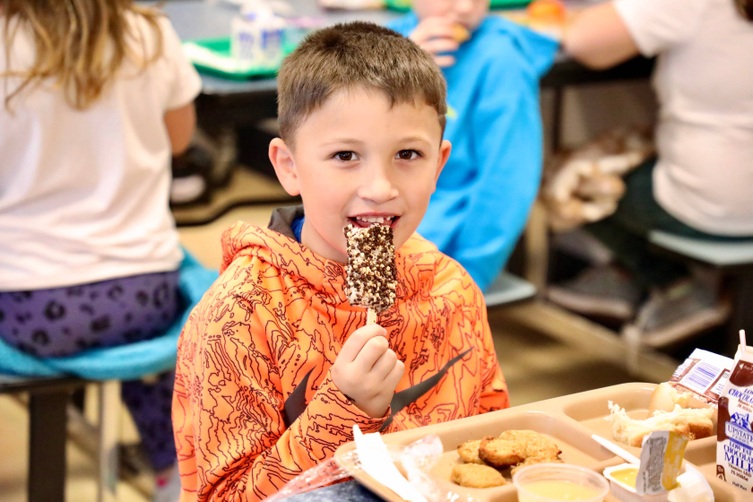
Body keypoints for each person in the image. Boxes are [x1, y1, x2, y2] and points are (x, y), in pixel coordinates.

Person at [171, 21, 509, 501]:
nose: (379, 187)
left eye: (408, 154)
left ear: (438, 165)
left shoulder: (453, 292)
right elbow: (223, 496)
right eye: (346, 155)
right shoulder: (237, 316)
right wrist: (345, 406)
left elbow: (490, 450)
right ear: (288, 166)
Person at [0, 0, 202, 500]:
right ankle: (171, 462)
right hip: (140, 300)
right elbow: (181, 140)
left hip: (24, 309)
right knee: (186, 280)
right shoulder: (150, 34)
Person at [548, 0, 753, 345]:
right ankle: (624, 276)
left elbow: (584, 42)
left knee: (569, 177)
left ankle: (669, 283)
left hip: (714, 208)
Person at [387, 0, 558, 292]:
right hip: (372, 226)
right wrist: (399, 70)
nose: (466, 8)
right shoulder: (388, 41)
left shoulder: (502, 62)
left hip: (440, 251)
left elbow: (507, 183)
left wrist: (470, 274)